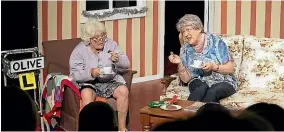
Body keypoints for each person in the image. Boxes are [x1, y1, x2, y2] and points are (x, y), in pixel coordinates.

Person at [69, 19, 130, 131]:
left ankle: (122, 128)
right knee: (87, 93)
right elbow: (74, 74)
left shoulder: (111, 44)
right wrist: (91, 72)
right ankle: (89, 128)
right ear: (89, 39)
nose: (101, 40)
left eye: (102, 36)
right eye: (96, 38)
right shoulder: (79, 50)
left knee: (123, 91)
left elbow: (126, 64)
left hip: (110, 80)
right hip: (89, 82)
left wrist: (117, 59)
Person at [169, 14, 237, 102]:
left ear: (199, 29)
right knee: (200, 88)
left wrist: (213, 67)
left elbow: (230, 69)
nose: (185, 34)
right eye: (183, 32)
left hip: (224, 81)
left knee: (212, 92)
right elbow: (186, 79)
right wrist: (180, 63)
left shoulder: (216, 43)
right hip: (198, 80)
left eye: (188, 30)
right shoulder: (185, 49)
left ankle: (200, 115)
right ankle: (186, 114)